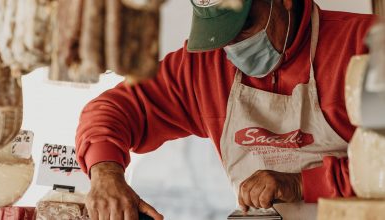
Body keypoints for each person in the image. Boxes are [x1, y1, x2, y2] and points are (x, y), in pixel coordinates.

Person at [75, 0, 376, 219]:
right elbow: (111, 108)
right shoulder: (205, 67)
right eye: (220, 35)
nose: (232, 47)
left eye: (243, 27)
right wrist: (106, 173)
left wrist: (301, 183)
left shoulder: (366, 46)